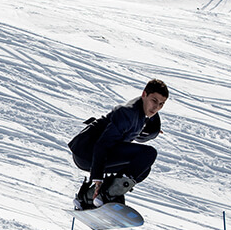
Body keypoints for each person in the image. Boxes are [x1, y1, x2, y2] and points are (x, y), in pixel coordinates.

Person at [68, 79, 169, 209]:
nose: (156, 107)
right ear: (144, 94)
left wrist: (153, 132)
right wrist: (97, 178)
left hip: (97, 153)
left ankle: (87, 198)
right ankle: (106, 195)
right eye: (154, 101)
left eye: (161, 104)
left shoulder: (144, 112)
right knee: (149, 153)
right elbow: (102, 144)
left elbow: (149, 124)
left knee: (143, 169)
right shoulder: (127, 113)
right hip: (88, 151)